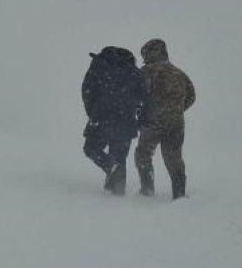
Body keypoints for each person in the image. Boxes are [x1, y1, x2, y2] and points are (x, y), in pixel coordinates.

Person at [135, 39, 196, 199]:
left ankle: (147, 191)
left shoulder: (144, 72)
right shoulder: (180, 74)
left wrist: (142, 112)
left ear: (150, 53)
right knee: (174, 158)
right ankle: (179, 194)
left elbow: (136, 96)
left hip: (152, 123)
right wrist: (176, 110)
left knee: (143, 154)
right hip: (176, 124)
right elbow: (191, 97)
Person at [81, 46, 146, 196]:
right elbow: (144, 97)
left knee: (91, 148)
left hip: (101, 118)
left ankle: (109, 165)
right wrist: (141, 117)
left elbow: (87, 90)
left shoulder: (99, 65)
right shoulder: (134, 71)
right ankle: (118, 193)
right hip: (126, 121)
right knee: (120, 156)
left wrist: (93, 112)